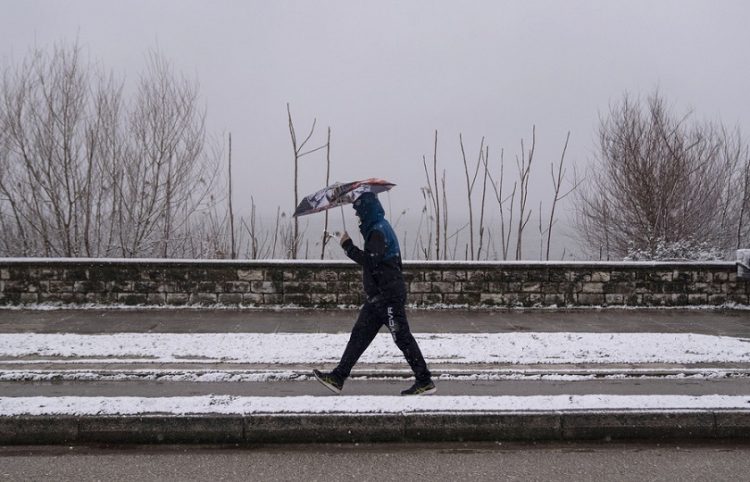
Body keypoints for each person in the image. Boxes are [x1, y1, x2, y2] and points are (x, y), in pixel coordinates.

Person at [313, 192, 436, 396]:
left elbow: (371, 260)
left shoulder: (378, 231)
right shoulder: (378, 227)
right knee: (359, 337)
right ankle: (338, 377)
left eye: (359, 211)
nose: (357, 216)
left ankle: (425, 380)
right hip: (378, 299)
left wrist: (347, 246)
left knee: (402, 338)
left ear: (366, 210)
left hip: (388, 298)